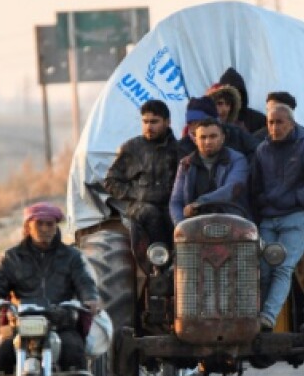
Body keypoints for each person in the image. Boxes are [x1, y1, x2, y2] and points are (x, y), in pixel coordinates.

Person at [0, 202, 100, 376]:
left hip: (60, 321)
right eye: (40, 224)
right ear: (28, 227)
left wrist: (90, 299)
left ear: (56, 227)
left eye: (50, 224)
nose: (45, 228)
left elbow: (84, 283)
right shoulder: (12, 257)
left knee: (73, 350)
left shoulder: (71, 256)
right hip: (22, 322)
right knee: (2, 355)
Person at [249, 99, 304, 329]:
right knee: (262, 268)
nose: (275, 127)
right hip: (270, 218)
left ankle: (268, 317)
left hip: (299, 216)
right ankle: (255, 319)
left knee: (283, 266)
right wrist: (264, 201)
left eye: (280, 122)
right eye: (271, 122)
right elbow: (255, 186)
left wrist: (296, 198)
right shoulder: (262, 150)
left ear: (291, 123)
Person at [103, 99, 181, 255]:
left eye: (154, 122)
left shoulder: (179, 149)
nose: (149, 127)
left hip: (169, 205)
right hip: (139, 206)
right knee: (150, 213)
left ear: (167, 122)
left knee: (177, 220)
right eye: (145, 122)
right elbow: (110, 181)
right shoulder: (133, 148)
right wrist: (137, 193)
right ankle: (158, 260)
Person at [170, 118, 251, 224]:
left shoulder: (237, 159)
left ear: (223, 138)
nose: (208, 142)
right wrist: (180, 225)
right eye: (203, 137)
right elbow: (176, 201)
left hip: (232, 222)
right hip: (196, 224)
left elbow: (231, 189)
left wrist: (199, 203)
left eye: (213, 136)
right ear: (195, 140)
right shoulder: (186, 164)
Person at [188, 88, 259, 158]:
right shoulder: (185, 146)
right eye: (190, 123)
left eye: (197, 122)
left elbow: (257, 150)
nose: (225, 109)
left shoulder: (236, 133)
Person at [219, 67, 267, 134]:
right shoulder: (213, 119)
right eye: (228, 94)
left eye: (236, 93)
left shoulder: (259, 120)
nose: (233, 98)